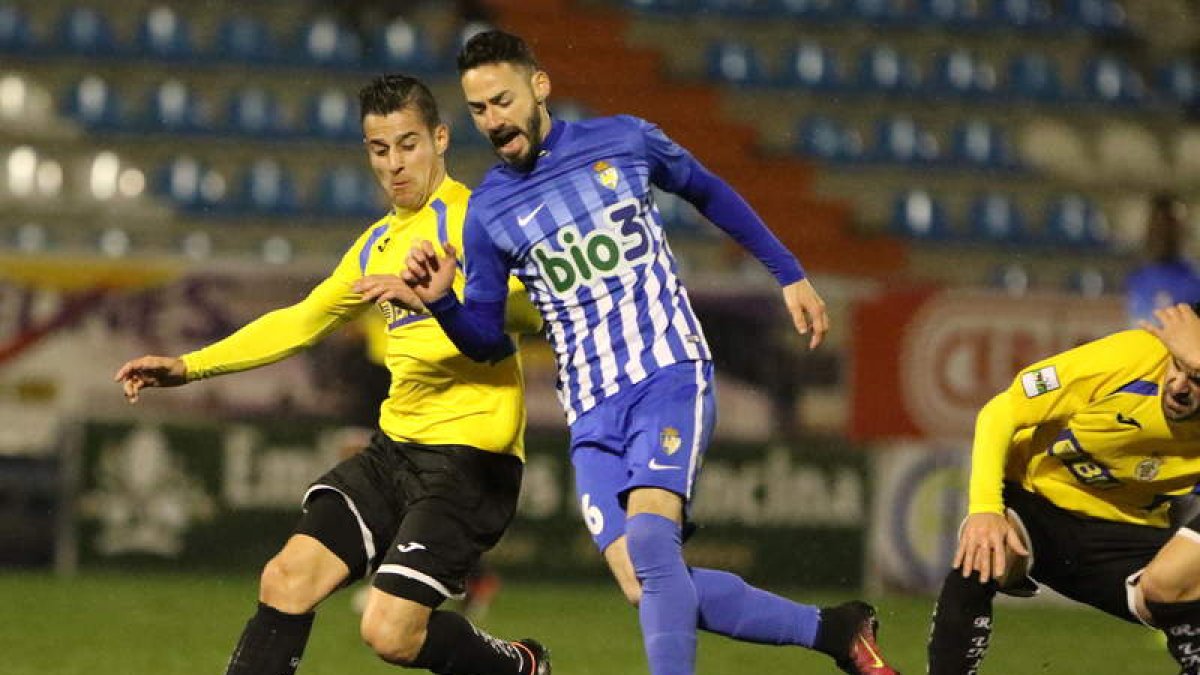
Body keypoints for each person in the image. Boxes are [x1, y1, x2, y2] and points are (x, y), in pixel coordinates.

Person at [401, 29, 900, 675]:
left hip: (668, 373)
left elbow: (709, 190)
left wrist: (789, 273)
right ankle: (836, 629)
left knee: (650, 539)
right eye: (479, 110)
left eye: (502, 101)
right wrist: (444, 303)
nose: (494, 121)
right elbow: (488, 340)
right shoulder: (489, 209)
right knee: (644, 579)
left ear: (539, 85)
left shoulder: (624, 140)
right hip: (590, 412)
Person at [113, 74, 551, 675]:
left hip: (471, 459)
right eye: (379, 149)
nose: (394, 164)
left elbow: (534, 309)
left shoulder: (477, 220)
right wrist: (189, 367)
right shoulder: (376, 245)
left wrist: (443, 300)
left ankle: (518, 667)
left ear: (441, 139)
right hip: (396, 450)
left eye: (408, 144)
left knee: (390, 634)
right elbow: (301, 321)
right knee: (286, 578)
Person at [927, 302, 1200, 674]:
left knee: (1178, 589)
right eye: (1178, 367)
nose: (1180, 387)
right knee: (982, 556)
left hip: (1128, 536)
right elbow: (1001, 412)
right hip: (1036, 506)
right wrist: (985, 510)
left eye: (1197, 377)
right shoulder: (1129, 356)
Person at [1126, 193, 1200, 326]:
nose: (1162, 234)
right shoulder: (1136, 277)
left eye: (1169, 226)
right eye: (1157, 225)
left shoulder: (1194, 280)